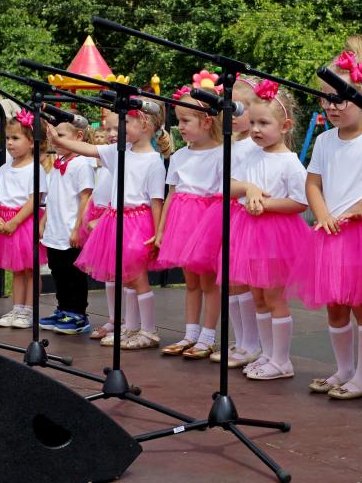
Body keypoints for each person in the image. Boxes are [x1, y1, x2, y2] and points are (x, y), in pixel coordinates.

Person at [300, 51, 362, 399]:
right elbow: (313, 183)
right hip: (331, 234)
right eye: (326, 98)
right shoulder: (325, 141)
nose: (332, 106)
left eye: (340, 99)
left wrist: (361, 206)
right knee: (335, 304)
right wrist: (322, 214)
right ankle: (343, 369)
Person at [49, 107, 171, 349]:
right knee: (127, 278)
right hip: (115, 220)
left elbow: (156, 201)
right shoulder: (119, 152)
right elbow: (88, 149)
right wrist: (57, 139)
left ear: (144, 125)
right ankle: (131, 327)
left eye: (126, 122)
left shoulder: (153, 162)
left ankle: (148, 330)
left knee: (138, 278)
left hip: (137, 222)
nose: (120, 128)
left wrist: (158, 233)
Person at [229, 79, 310, 381]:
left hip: (276, 236)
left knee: (274, 299)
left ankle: (281, 360)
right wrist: (248, 188)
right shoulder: (250, 155)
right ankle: (267, 353)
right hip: (248, 233)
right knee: (258, 298)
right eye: (253, 123)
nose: (256, 129)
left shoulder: (290, 163)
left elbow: (300, 202)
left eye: (264, 123)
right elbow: (229, 186)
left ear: (285, 126)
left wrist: (266, 204)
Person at [154, 77, 225, 359]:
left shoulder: (222, 153)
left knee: (209, 282)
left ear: (206, 121)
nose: (180, 127)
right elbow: (171, 194)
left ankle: (207, 337)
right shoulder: (179, 156)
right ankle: (190, 334)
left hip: (206, 224)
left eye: (186, 121)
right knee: (191, 282)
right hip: (182, 225)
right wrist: (162, 231)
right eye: (179, 121)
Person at [209, 75, 262, 368]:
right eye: (229, 108)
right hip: (228, 214)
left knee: (245, 282)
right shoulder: (228, 143)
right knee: (230, 281)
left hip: (246, 215)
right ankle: (241, 341)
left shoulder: (255, 145)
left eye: (240, 109)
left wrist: (243, 189)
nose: (233, 115)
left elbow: (250, 181)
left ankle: (251, 343)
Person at [0, 110, 48, 329]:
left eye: (16, 138)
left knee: (30, 269)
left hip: (24, 222)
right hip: (5, 220)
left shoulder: (35, 169)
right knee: (16, 269)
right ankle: (17, 308)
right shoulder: (4, 168)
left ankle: (29, 310)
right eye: (7, 138)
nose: (9, 143)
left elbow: (34, 200)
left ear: (31, 142)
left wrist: (15, 222)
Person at [37, 118, 95, 335]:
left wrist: (78, 228)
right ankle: (63, 309)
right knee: (58, 270)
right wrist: (44, 221)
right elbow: (53, 197)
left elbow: (85, 198)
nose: (55, 139)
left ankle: (78, 314)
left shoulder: (82, 164)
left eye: (60, 135)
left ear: (78, 137)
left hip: (71, 230)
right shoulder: (57, 164)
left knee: (73, 273)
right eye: (53, 135)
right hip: (56, 230)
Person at [80, 114, 119, 342]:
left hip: (112, 219)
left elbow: (123, 197)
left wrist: (102, 219)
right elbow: (98, 191)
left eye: (116, 129)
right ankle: (114, 318)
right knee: (108, 273)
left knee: (124, 274)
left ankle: (128, 322)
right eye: (108, 130)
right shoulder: (105, 162)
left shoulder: (121, 161)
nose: (111, 134)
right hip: (100, 217)